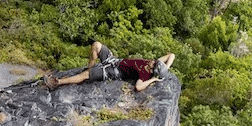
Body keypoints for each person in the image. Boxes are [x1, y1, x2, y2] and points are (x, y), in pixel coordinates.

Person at [44, 42, 175, 92]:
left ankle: (57, 82)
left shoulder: (145, 75)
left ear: (153, 70)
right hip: (114, 60)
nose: (153, 61)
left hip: (113, 71)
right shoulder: (153, 64)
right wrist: (166, 68)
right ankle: (90, 67)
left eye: (154, 64)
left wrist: (154, 80)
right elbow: (172, 55)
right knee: (96, 45)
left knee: (85, 76)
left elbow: (138, 87)